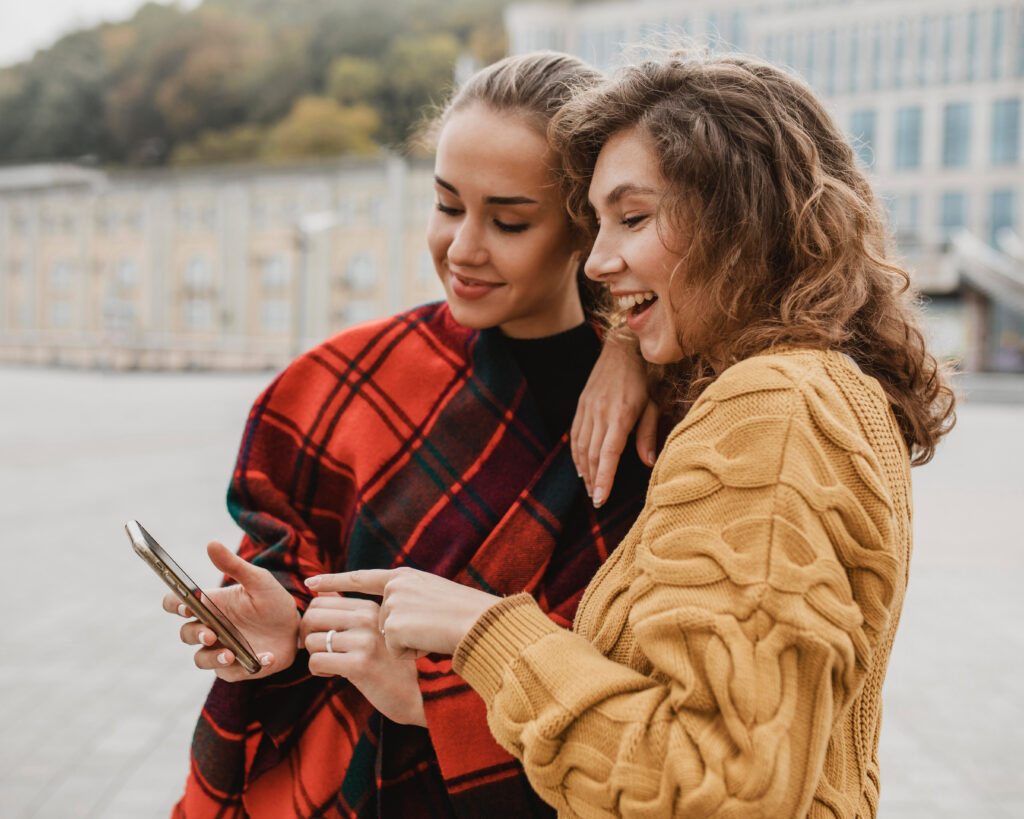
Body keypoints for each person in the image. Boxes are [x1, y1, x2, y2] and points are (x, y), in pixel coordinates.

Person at [305, 51, 957, 817]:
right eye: (597, 222)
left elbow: (724, 786)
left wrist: (485, 629)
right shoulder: (818, 387)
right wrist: (625, 341)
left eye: (634, 217)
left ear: (738, 218)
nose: (600, 258)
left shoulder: (772, 412)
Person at [163, 52, 653, 818]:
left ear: (586, 228)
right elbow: (300, 568)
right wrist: (283, 624)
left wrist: (626, 347)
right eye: (448, 204)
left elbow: (639, 692)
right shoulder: (337, 380)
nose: (462, 248)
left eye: (510, 221)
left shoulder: (655, 422)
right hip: (339, 790)